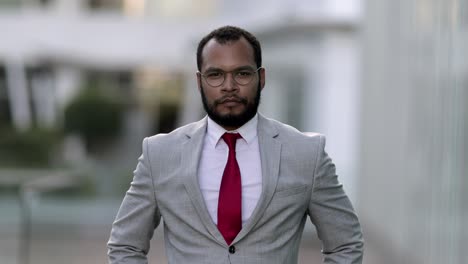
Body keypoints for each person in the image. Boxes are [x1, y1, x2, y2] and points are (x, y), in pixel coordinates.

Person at [108, 25, 364, 264]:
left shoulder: (307, 154)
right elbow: (125, 246)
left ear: (261, 78)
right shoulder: (160, 154)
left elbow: (346, 244)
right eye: (215, 75)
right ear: (199, 82)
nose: (229, 87)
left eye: (241, 73)